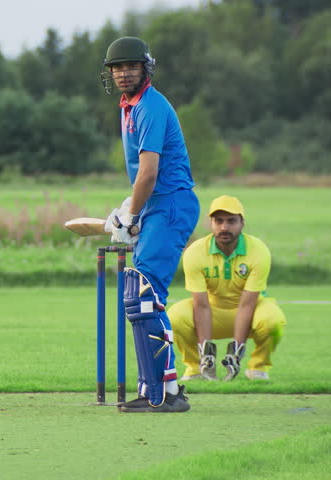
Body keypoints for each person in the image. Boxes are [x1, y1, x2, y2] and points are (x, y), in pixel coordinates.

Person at [100, 37, 200, 413]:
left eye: (131, 66)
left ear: (145, 68)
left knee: (145, 294)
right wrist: (132, 210)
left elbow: (150, 172)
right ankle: (153, 390)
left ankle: (170, 394)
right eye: (117, 67)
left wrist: (129, 216)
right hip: (156, 205)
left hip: (171, 203)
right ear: (110, 73)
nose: (123, 73)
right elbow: (141, 180)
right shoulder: (128, 107)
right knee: (136, 297)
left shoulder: (151, 107)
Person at [169, 195, 287, 382]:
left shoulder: (258, 250)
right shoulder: (195, 252)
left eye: (231, 221)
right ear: (211, 224)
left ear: (242, 223)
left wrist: (236, 353)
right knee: (174, 317)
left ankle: (257, 368)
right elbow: (201, 306)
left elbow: (247, 305)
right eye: (219, 221)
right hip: (211, 311)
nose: (224, 227)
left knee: (273, 320)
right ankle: (196, 369)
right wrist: (207, 355)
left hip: (251, 311)